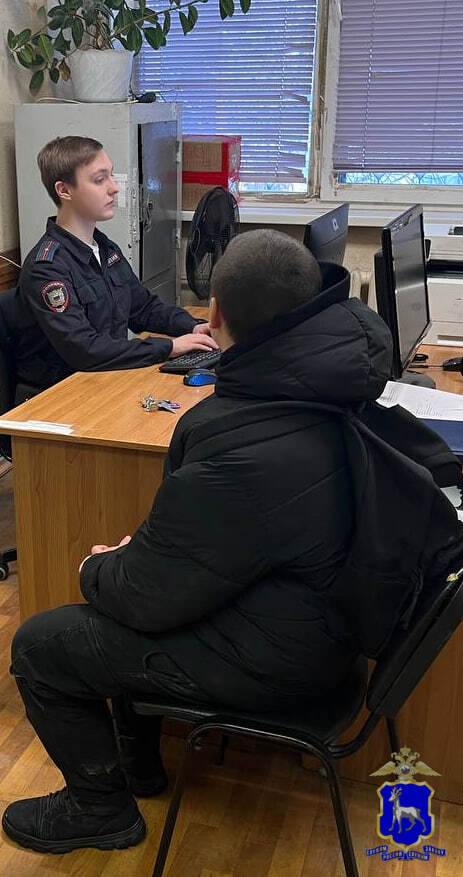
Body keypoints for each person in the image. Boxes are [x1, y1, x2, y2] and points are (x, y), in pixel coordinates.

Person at [3, 230, 463, 854]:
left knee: (43, 644)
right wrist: (143, 563)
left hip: (283, 663)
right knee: (122, 605)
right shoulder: (335, 386)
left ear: (214, 315)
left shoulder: (241, 438)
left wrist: (98, 567)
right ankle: (139, 768)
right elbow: (203, 555)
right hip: (321, 625)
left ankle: (98, 810)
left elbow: (147, 598)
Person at [14, 136, 217, 402]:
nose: (114, 188)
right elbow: (84, 350)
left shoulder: (104, 248)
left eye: (111, 175)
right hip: (58, 397)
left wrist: (192, 327)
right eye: (100, 180)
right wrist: (169, 347)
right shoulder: (47, 268)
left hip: (104, 383)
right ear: (64, 190)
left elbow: (143, 308)